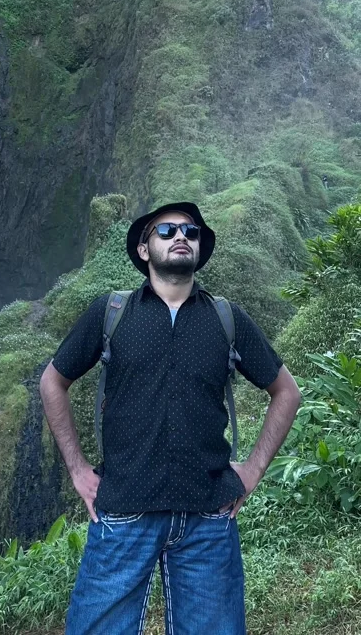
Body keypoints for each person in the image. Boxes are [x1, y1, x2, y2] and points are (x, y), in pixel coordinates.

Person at [40, 201, 301, 635]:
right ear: (144, 249)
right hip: (124, 511)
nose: (181, 236)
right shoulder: (111, 313)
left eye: (190, 231)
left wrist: (252, 470)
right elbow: (53, 381)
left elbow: (286, 392)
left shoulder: (226, 318)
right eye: (166, 230)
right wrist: (77, 469)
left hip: (208, 517)